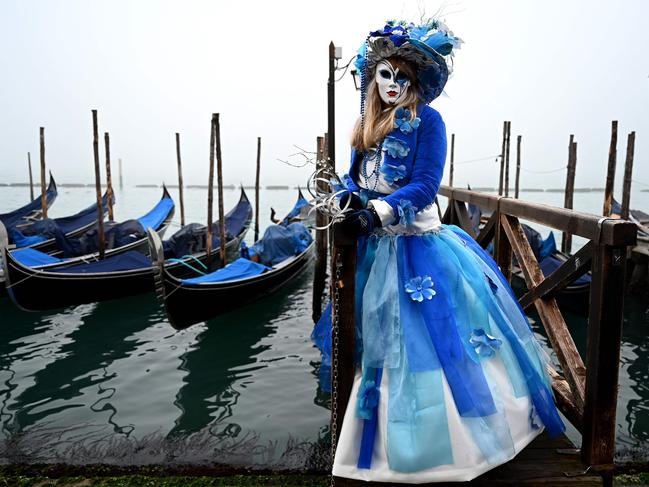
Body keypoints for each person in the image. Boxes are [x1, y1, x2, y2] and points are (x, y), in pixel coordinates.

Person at [327, 20, 565, 483]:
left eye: (404, 77)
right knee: (381, 346)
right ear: (372, 78)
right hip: (377, 253)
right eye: (385, 75)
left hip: (421, 250)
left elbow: (425, 185)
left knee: (436, 343)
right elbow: (354, 179)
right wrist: (345, 197)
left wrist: (377, 212)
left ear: (415, 83)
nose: (394, 85)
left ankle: (453, 449)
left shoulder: (429, 122)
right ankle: (377, 444)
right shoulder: (365, 124)